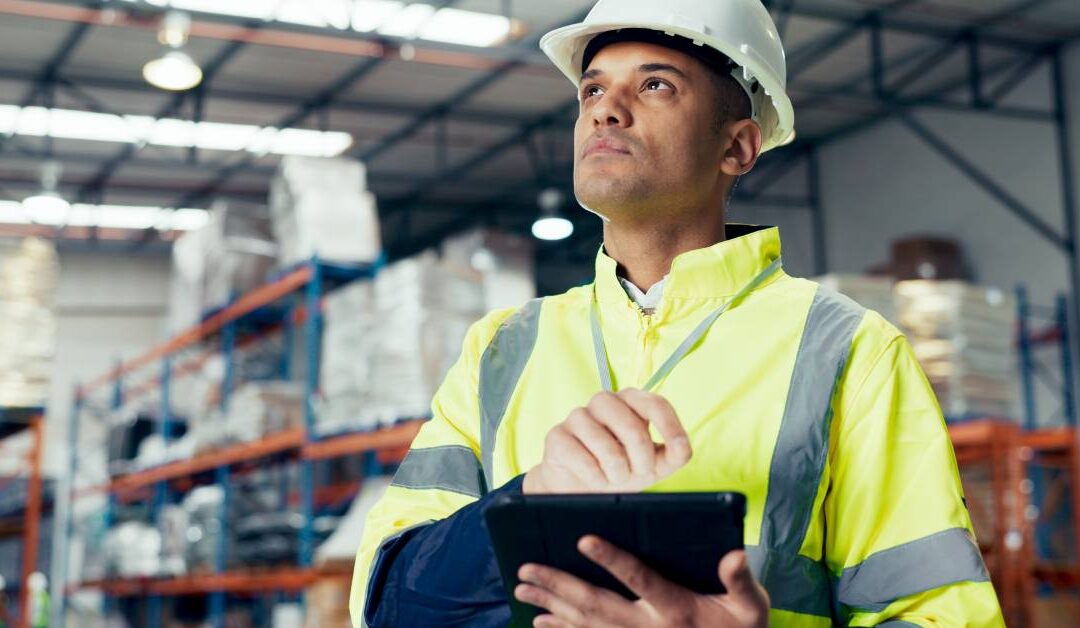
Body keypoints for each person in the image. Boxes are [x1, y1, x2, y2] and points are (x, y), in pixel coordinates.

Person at [350, 1, 1005, 626]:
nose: (607, 111)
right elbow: (388, 606)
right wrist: (532, 495)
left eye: (656, 85)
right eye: (592, 91)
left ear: (738, 147)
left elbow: (942, 616)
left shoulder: (848, 351)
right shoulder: (500, 349)